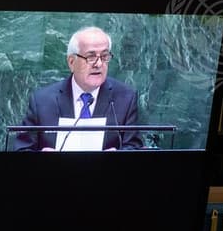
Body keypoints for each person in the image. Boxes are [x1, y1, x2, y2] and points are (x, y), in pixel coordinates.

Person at [13, 26, 143, 152]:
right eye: (90, 57)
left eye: (104, 56)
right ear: (71, 62)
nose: (98, 64)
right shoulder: (42, 101)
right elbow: (22, 149)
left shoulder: (125, 98)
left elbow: (134, 147)